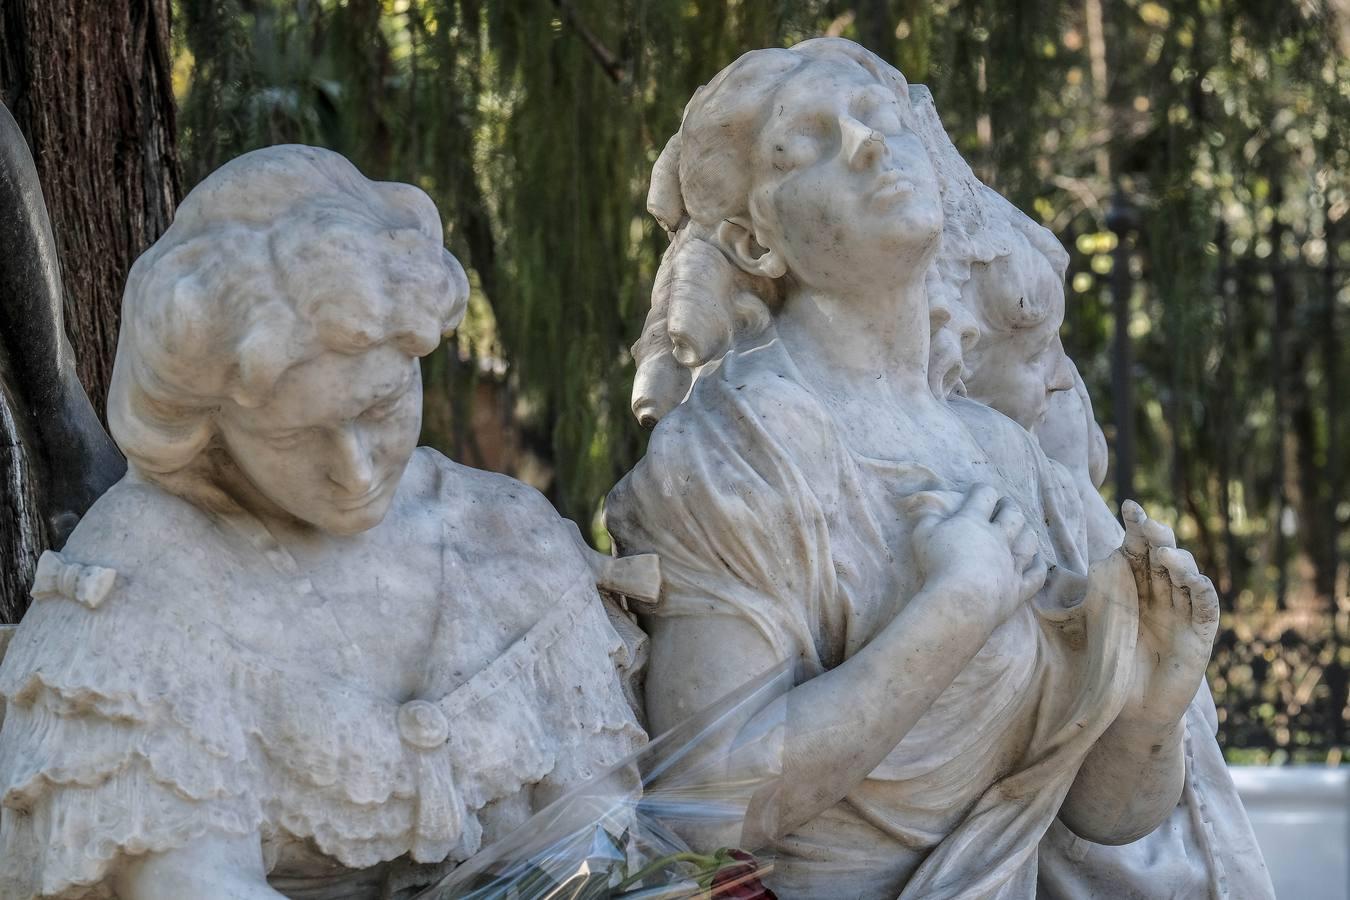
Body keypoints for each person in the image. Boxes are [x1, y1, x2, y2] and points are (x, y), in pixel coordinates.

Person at [607, 38, 1218, 899]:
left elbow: (1095, 814)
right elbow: (708, 799)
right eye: (811, 140)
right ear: (753, 241)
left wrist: (1151, 706)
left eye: (883, 121)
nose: (869, 144)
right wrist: (954, 609)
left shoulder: (1000, 452)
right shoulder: (736, 450)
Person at [0, 145, 645, 900]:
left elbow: (609, 845)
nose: (358, 471)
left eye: (379, 409)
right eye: (291, 437)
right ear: (210, 424)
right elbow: (194, 882)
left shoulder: (511, 539)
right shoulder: (141, 578)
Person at [914, 97, 1273, 893]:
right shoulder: (970, 525)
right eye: (1039, 349)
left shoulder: (1070, 505)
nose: (1063, 377)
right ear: (955, 355)